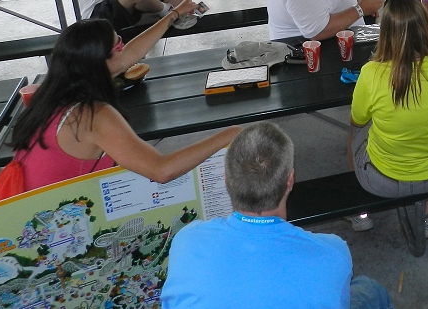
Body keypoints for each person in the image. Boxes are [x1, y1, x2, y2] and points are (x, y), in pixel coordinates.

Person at [9, 3, 241, 193]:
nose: (124, 48)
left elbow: (131, 52)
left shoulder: (50, 95)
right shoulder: (93, 114)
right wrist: (230, 134)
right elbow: (161, 170)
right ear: (101, 61)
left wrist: (173, 14)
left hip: (33, 209)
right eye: (118, 44)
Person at [161, 122, 394, 309]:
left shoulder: (186, 241)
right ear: (290, 181)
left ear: (227, 182)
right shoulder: (333, 253)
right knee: (369, 290)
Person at [349, 0, 428, 238]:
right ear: (426, 28)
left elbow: (358, 120)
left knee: (355, 131)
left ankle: (360, 212)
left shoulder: (371, 73)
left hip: (382, 181)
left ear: (385, 32)